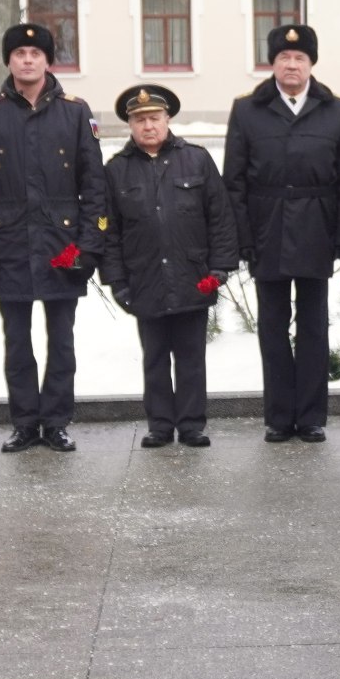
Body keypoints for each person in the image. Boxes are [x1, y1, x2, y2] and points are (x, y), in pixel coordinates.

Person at [0, 21, 106, 452]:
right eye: (19, 54)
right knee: (17, 342)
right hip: (9, 243)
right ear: (8, 60)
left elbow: (94, 186)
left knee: (62, 342)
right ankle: (25, 422)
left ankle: (57, 421)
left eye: (36, 54)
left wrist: (88, 246)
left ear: (48, 61)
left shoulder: (75, 111)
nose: (27, 60)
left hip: (62, 245)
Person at [225, 22, 340, 442]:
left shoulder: (336, 109)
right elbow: (234, 181)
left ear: (310, 64)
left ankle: (312, 416)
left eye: (299, 58)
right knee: (272, 325)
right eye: (284, 58)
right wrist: (242, 238)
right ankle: (278, 416)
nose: (291, 65)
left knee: (313, 326)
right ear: (272, 64)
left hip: (316, 227)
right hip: (267, 228)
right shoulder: (247, 110)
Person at [102, 84, 238, 447]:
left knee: (192, 356)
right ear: (130, 125)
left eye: (154, 118)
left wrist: (220, 268)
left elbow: (220, 217)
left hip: (193, 275)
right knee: (155, 357)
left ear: (168, 119)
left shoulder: (196, 159)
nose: (148, 126)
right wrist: (117, 281)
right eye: (140, 120)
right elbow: (110, 232)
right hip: (143, 277)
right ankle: (160, 425)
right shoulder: (116, 170)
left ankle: (192, 423)